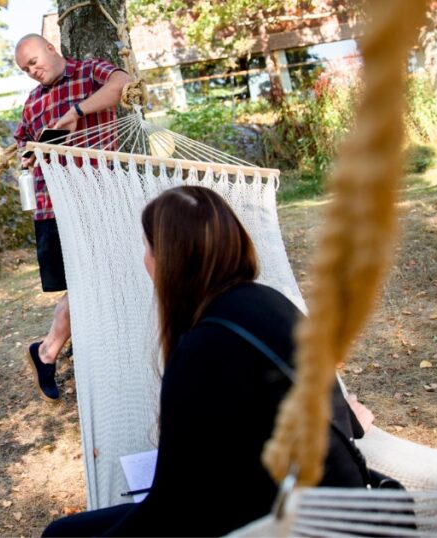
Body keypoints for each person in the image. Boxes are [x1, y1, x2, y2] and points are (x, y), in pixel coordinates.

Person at [42, 186, 376, 536]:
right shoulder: (270, 301)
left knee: (61, 535)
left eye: (147, 247)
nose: (144, 259)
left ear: (170, 260)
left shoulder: (202, 348)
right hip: (312, 503)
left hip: (278, 520)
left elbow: (169, 509)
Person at [13, 33, 131, 401]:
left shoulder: (89, 71)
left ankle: (48, 351)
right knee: (85, 284)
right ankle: (51, 352)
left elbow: (123, 84)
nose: (32, 71)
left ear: (51, 47)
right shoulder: (32, 103)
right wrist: (27, 156)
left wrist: (75, 114)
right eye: (25, 69)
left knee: (101, 279)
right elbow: (23, 142)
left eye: (34, 60)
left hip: (101, 199)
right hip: (53, 207)